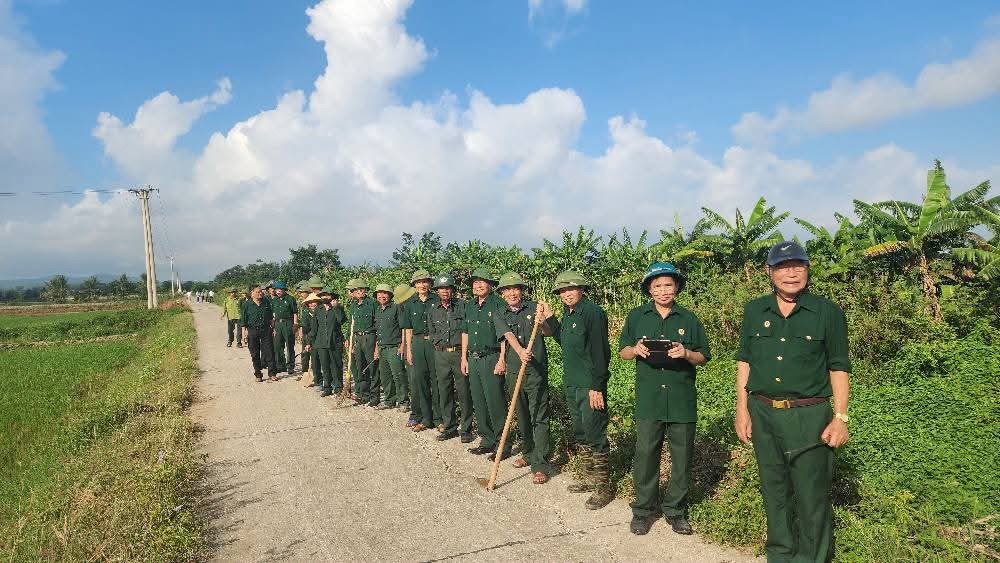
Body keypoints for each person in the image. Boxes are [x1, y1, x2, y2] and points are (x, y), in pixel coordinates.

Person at [734, 241, 851, 562]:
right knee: (774, 493)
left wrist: (840, 417)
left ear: (808, 270)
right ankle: (781, 556)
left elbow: (838, 367)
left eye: (798, 265)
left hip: (809, 417)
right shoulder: (755, 310)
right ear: (769, 272)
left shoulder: (828, 313)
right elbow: (745, 362)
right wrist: (742, 409)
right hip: (763, 413)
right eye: (783, 267)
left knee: (812, 498)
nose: (791, 273)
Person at [619, 262, 711, 536]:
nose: (663, 290)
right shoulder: (637, 316)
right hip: (649, 398)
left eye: (668, 285)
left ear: (677, 287)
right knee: (646, 454)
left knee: (682, 457)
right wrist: (635, 350)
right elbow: (622, 351)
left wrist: (686, 354)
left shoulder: (689, 319)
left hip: (681, 398)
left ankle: (676, 511)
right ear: (649, 289)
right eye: (657, 285)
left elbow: (703, 356)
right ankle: (643, 511)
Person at [538, 270, 613, 509]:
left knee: (595, 433)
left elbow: (602, 353)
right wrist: (549, 318)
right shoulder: (569, 315)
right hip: (572, 383)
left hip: (589, 385)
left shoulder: (592, 313)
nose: (567, 294)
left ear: (581, 290)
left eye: (571, 289)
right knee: (581, 432)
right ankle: (590, 479)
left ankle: (603, 488)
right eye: (562, 291)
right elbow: (563, 339)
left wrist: (597, 386)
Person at [494, 272, 553, 484]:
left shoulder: (534, 308)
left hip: (536, 371)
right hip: (514, 369)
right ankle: (528, 453)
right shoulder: (499, 313)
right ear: (502, 293)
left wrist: (544, 320)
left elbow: (547, 332)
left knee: (539, 415)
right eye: (507, 290)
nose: (512, 293)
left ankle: (541, 463)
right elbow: (508, 335)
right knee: (522, 414)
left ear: (521, 290)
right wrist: (519, 351)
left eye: (515, 288)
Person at [460, 267, 507, 456]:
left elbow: (504, 334)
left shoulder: (497, 304)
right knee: (479, 401)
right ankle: (486, 440)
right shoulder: (469, 306)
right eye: (475, 282)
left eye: (482, 282)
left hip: (492, 357)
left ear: (490, 285)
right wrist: (464, 358)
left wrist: (502, 359)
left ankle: (502, 443)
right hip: (473, 358)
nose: (478, 285)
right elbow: (465, 332)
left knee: (495, 401)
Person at [427, 273, 470, 442]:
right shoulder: (432, 309)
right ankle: (449, 426)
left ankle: (466, 428)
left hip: (459, 353)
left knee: (463, 392)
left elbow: (467, 330)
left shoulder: (463, 306)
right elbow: (431, 332)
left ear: (452, 290)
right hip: (441, 354)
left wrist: (464, 354)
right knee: (444, 391)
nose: (445, 291)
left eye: (448, 288)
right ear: (437, 291)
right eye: (441, 288)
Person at [400, 270, 440, 432]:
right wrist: (409, 350)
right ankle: (425, 418)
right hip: (417, 343)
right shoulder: (409, 304)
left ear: (430, 283)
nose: (422, 285)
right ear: (414, 285)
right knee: (420, 382)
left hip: (435, 343)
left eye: (425, 282)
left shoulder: (437, 300)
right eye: (418, 282)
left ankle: (439, 419)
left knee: (436, 381)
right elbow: (408, 329)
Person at [304, 289, 347, 397]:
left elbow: (341, 321)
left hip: (334, 342)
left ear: (332, 297)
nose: (324, 297)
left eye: (327, 295)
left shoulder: (338, 308)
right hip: (320, 343)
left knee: (336, 365)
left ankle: (338, 387)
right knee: (325, 366)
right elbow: (314, 328)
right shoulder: (318, 310)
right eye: (322, 296)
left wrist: (336, 307)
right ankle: (327, 387)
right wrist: (309, 342)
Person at [373, 283, 407, 409]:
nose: (382, 296)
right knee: (385, 376)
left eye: (385, 293)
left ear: (390, 295)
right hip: (382, 348)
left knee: (398, 375)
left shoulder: (396, 308)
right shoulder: (377, 310)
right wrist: (376, 349)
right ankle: (389, 400)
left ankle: (403, 401)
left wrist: (403, 345)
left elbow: (403, 327)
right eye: (379, 293)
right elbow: (377, 331)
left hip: (394, 347)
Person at [346, 278, 378, 406]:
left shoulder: (372, 304)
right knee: (360, 367)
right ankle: (363, 394)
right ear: (352, 293)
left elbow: (378, 323)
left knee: (373, 367)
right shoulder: (353, 305)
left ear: (365, 291)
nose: (359, 292)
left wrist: (377, 344)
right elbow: (351, 325)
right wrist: (349, 339)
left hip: (370, 337)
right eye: (356, 290)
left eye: (362, 289)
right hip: (357, 338)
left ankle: (375, 397)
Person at [240, 284, 277, 382]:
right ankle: (258, 374)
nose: (260, 293)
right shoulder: (246, 305)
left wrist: (273, 328)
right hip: (252, 330)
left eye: (261, 291)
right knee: (255, 353)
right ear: (251, 293)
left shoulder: (266, 302)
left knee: (269, 351)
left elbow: (271, 317)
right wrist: (244, 334)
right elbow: (243, 321)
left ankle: (272, 373)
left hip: (266, 330)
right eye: (257, 292)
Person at [270, 281, 299, 377]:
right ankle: (280, 365)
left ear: (284, 290)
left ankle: (290, 366)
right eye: (276, 290)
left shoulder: (290, 299)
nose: (278, 292)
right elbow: (273, 314)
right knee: (278, 345)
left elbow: (295, 312)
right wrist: (273, 326)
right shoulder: (274, 300)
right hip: (278, 324)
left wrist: (295, 324)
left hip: (288, 323)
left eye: (279, 290)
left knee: (290, 345)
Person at [296, 282, 316, 383]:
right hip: (307, 335)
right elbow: (303, 325)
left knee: (315, 355)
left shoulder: (319, 311)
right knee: (305, 354)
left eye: (302, 292)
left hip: (316, 336)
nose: (301, 294)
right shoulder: (304, 309)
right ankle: (305, 372)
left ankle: (314, 373)